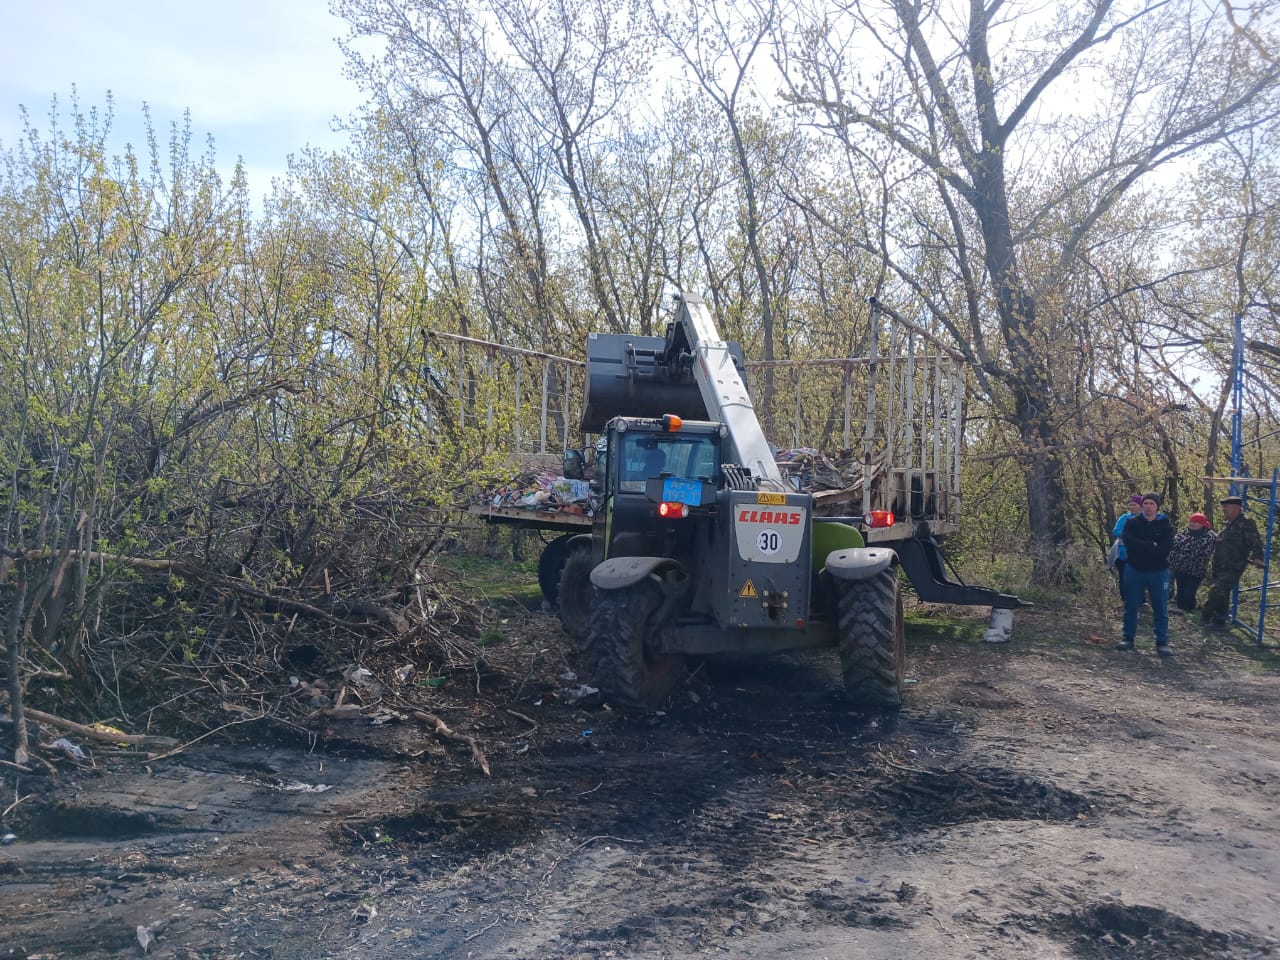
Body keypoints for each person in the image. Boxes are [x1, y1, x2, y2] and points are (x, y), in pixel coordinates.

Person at [1119, 492, 1174, 655]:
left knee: (1160, 607)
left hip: (1159, 571)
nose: (1148, 506)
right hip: (1135, 569)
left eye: (1152, 504)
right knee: (1131, 605)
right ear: (1142, 505)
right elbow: (1129, 542)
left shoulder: (1165, 525)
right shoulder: (1132, 522)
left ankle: (1162, 642)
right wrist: (1151, 545)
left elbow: (1166, 547)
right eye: (1146, 503)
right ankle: (1128, 638)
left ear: (1157, 506)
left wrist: (1146, 548)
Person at [1200, 495, 1266, 628]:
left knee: (1216, 590)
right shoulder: (1228, 524)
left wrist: (1258, 558)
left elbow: (1255, 542)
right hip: (1220, 564)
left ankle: (1205, 615)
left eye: (1226, 507)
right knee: (1222, 594)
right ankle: (1219, 620)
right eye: (1223, 507)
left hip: (1233, 565)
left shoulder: (1246, 523)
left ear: (1236, 508)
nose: (1224, 509)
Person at [1168, 513, 1215, 613]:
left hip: (1197, 571)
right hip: (1180, 568)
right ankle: (1181, 609)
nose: (1193, 524)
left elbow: (1218, 549)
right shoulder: (1182, 534)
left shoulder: (1210, 537)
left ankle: (1189, 608)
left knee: (1189, 592)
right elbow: (1173, 549)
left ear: (1202, 524)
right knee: (1180, 591)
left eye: (1196, 522)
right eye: (1191, 521)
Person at [1111, 494, 1144, 597]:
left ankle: (1141, 599)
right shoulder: (1125, 517)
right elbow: (1116, 531)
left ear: (1141, 507)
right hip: (1123, 553)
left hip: (1140, 554)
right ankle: (1125, 598)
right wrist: (1129, 535)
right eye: (1131, 505)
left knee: (1140, 577)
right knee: (1124, 576)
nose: (1132, 507)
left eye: (1135, 505)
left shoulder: (1145, 519)